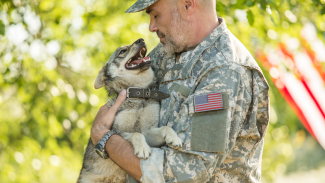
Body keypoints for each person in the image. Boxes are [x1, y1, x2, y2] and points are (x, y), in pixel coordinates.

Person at [90, 0, 270, 182]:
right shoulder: (166, 52)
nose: (151, 27)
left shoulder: (224, 71)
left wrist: (104, 138)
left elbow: (183, 174)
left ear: (187, 5)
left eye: (155, 15)